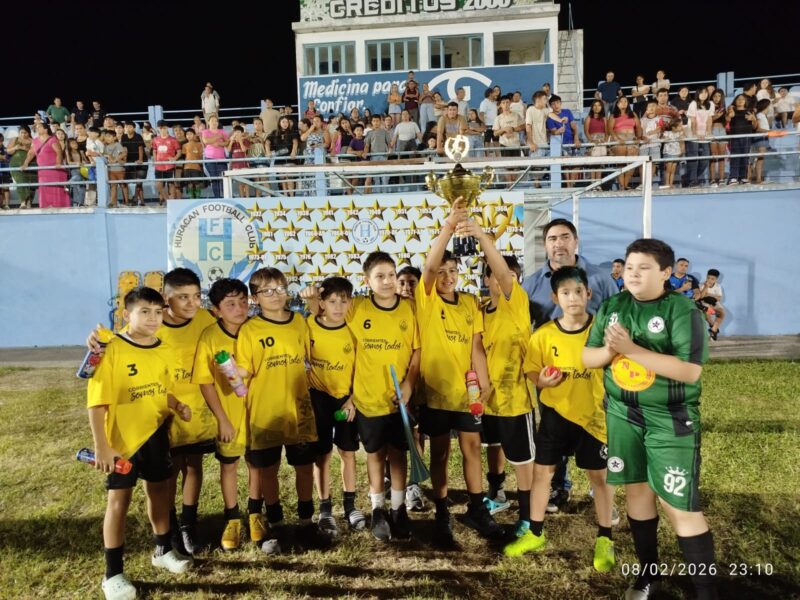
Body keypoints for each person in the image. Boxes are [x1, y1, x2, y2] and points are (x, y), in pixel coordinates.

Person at [584, 238, 718, 600]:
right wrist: (610, 350)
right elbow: (588, 357)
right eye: (629, 267)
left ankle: (706, 591)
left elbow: (689, 372)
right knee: (637, 493)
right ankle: (648, 575)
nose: (633, 274)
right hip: (622, 416)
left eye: (643, 268)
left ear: (665, 273)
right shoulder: (612, 306)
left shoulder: (682, 311)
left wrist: (631, 350)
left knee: (679, 506)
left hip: (669, 420)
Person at [301, 253, 421, 542]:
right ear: (367, 282)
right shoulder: (357, 308)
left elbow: (417, 352)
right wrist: (310, 296)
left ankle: (397, 509)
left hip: (397, 399)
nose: (388, 281)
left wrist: (408, 384)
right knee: (375, 454)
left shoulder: (408, 310)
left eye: (391, 275)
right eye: (379, 276)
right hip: (367, 399)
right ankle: (378, 508)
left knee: (398, 454)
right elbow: (325, 307)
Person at [504, 266, 616, 575]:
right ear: (555, 297)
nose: (572, 298)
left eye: (578, 292)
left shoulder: (602, 332)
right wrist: (540, 380)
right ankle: (535, 533)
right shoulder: (544, 335)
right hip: (555, 416)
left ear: (588, 294)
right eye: (565, 293)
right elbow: (531, 370)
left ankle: (605, 537)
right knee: (543, 475)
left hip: (594, 418)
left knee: (600, 478)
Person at [87, 287, 193, 600]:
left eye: (157, 312)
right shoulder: (111, 348)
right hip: (123, 442)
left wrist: (176, 404)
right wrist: (102, 446)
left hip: (156, 433)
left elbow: (161, 388)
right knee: (118, 501)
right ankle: (113, 574)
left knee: (159, 491)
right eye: (143, 311)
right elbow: (96, 403)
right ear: (126, 314)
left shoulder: (163, 347)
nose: (152, 318)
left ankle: (162, 550)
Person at [416, 200, 503, 546]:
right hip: (436, 394)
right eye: (442, 272)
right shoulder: (427, 300)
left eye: (453, 272)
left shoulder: (469, 303)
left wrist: (485, 383)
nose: (447, 277)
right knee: (439, 453)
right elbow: (427, 267)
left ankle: (477, 507)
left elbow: (476, 347)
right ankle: (441, 511)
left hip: (467, 395)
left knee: (472, 449)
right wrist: (450, 226)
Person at [520, 218, 618, 511]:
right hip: (555, 377)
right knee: (554, 429)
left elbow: (616, 318)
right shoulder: (532, 285)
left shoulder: (600, 278)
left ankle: (599, 487)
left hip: (594, 376)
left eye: (564, 237)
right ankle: (558, 487)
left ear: (575, 242)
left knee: (598, 430)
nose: (558, 244)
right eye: (552, 238)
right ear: (545, 245)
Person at [458, 219, 535, 540]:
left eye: (513, 277)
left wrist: (480, 237)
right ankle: (497, 493)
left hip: (515, 399)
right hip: (484, 400)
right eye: (499, 275)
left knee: (522, 458)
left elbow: (504, 272)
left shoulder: (515, 302)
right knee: (492, 447)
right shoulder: (481, 310)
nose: (507, 280)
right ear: (485, 279)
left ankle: (530, 516)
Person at [237, 268, 318, 552]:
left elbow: (309, 357)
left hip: (299, 409)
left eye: (280, 287)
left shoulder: (299, 322)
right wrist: (231, 373)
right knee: (267, 470)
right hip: (264, 412)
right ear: (255, 298)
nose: (275, 294)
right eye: (267, 290)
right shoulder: (249, 330)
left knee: (304, 467)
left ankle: (307, 521)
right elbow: (244, 371)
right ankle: (277, 523)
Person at [191, 278, 263, 551]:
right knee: (229, 465)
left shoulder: (255, 329)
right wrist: (222, 418)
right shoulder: (210, 336)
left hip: (257, 412)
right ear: (217, 310)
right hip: (230, 416)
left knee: (257, 464)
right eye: (230, 304)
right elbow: (205, 381)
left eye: (243, 301)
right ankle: (232, 517)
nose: (239, 308)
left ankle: (256, 513)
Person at [305, 277, 364, 538]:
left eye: (343, 301)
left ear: (350, 302)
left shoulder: (355, 329)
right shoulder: (308, 326)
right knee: (322, 454)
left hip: (346, 399)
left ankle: (351, 505)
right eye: (332, 301)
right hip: (319, 398)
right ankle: (325, 509)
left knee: (347, 451)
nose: (338, 307)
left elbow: (364, 368)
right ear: (322, 303)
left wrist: (353, 399)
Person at [21, 121, 70, 208]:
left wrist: (58, 163)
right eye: (37, 127)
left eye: (39, 127)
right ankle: (46, 206)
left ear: (46, 129)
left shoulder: (52, 139)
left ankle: (59, 206)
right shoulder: (35, 140)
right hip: (43, 169)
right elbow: (31, 153)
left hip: (55, 169)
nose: (37, 128)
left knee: (56, 188)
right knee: (44, 188)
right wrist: (25, 163)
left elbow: (59, 152)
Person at [546, 95, 581, 186]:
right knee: (565, 165)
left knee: (576, 163)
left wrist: (576, 138)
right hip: (561, 143)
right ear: (550, 106)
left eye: (557, 103)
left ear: (561, 103)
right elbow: (553, 132)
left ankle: (571, 183)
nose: (556, 105)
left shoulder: (567, 112)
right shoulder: (550, 119)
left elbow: (574, 126)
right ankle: (568, 185)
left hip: (572, 141)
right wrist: (558, 131)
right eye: (553, 104)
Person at [607, 96, 640, 190]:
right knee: (621, 163)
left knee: (632, 163)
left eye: (625, 101)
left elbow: (638, 127)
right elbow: (610, 129)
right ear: (617, 104)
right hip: (619, 139)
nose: (624, 103)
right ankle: (621, 185)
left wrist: (638, 137)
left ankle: (626, 185)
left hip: (631, 139)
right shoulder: (613, 116)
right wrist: (616, 139)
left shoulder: (633, 114)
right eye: (621, 101)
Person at [686, 88, 714, 187]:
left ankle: (692, 178)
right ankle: (692, 180)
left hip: (705, 135)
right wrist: (694, 133)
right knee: (694, 158)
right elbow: (693, 120)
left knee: (705, 158)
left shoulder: (710, 104)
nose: (704, 94)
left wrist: (709, 132)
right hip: (693, 135)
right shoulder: (693, 104)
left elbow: (710, 119)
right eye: (701, 92)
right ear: (698, 94)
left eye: (705, 92)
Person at [153, 121, 181, 204]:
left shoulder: (173, 139)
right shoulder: (155, 139)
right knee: (158, 184)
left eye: (164, 128)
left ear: (167, 128)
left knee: (171, 184)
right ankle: (167, 200)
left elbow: (179, 151)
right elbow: (154, 151)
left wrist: (174, 158)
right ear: (158, 129)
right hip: (159, 166)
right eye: (161, 128)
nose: (163, 130)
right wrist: (155, 161)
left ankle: (172, 202)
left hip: (169, 166)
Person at [8, 126, 36, 208]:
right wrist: (15, 147)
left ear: (29, 133)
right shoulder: (15, 139)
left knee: (31, 183)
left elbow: (34, 152)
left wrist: (24, 148)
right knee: (20, 182)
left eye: (25, 133)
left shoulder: (33, 141)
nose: (23, 134)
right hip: (15, 164)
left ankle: (29, 201)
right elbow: (8, 151)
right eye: (21, 132)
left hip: (30, 163)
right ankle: (23, 202)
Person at [201, 115, 229, 198]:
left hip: (221, 159)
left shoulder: (222, 131)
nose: (214, 122)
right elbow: (206, 141)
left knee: (223, 179)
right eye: (212, 120)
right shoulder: (205, 131)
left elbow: (227, 142)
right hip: (210, 159)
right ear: (208, 122)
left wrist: (219, 143)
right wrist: (217, 137)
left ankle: (225, 197)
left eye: (216, 121)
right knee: (214, 179)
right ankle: (217, 197)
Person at [364, 115, 392, 193]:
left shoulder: (385, 132)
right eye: (374, 121)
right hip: (373, 156)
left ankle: (385, 193)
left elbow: (389, 143)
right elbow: (367, 145)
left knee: (384, 176)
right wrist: (365, 152)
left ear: (380, 121)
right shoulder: (369, 133)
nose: (376, 123)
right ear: (372, 122)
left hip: (383, 155)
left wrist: (390, 150)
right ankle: (377, 193)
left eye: (377, 121)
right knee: (376, 177)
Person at [696, 269, 726, 340]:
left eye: (712, 279)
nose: (709, 280)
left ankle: (713, 329)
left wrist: (709, 295)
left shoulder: (718, 286)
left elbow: (719, 298)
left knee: (722, 313)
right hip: (704, 302)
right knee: (707, 311)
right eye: (708, 278)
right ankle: (712, 326)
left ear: (716, 279)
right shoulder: (701, 285)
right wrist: (706, 287)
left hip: (714, 302)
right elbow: (702, 296)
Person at [493, 95, 525, 162]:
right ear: (500, 105)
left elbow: (523, 126)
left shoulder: (516, 115)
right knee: (507, 167)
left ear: (510, 103)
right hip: (504, 145)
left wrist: (512, 129)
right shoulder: (498, 118)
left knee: (516, 166)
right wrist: (504, 129)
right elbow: (495, 133)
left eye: (507, 102)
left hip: (516, 144)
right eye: (503, 103)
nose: (505, 105)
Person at [121, 122, 146, 205]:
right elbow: (124, 149)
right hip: (129, 162)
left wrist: (140, 159)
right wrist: (124, 160)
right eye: (126, 127)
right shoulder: (123, 137)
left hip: (141, 162)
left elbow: (141, 149)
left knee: (139, 182)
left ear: (134, 128)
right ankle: (131, 200)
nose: (128, 128)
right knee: (124, 181)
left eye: (130, 127)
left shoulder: (138, 136)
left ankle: (136, 198)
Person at [103, 129, 128, 207]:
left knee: (123, 185)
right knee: (113, 186)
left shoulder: (117, 144)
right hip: (111, 170)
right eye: (106, 136)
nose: (107, 138)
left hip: (119, 169)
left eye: (109, 136)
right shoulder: (105, 147)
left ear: (114, 137)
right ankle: (113, 203)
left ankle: (126, 202)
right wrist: (109, 158)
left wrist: (115, 160)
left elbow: (124, 154)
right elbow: (106, 157)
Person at [709, 90, 728, 187]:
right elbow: (708, 120)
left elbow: (727, 121)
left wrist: (729, 116)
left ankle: (721, 179)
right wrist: (716, 116)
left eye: (719, 96)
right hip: (712, 130)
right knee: (713, 156)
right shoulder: (709, 106)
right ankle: (712, 179)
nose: (717, 98)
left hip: (722, 131)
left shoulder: (724, 108)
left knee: (721, 157)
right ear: (712, 97)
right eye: (715, 96)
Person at [752, 98, 771, 184]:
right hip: (760, 138)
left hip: (764, 137)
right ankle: (758, 179)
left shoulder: (763, 115)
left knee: (761, 159)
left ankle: (758, 178)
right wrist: (769, 132)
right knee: (760, 159)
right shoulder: (759, 115)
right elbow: (757, 128)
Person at [660, 119, 684, 189]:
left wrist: (681, 151)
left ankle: (671, 183)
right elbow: (662, 137)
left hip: (676, 153)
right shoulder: (667, 133)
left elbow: (682, 142)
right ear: (674, 127)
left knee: (673, 169)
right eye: (680, 126)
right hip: (668, 152)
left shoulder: (680, 134)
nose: (681, 127)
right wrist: (664, 138)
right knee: (668, 169)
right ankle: (667, 183)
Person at [182, 128, 205, 199]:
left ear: (194, 135)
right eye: (187, 134)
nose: (189, 136)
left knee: (197, 183)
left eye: (191, 134)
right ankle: (191, 198)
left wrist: (201, 138)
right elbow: (184, 155)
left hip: (196, 167)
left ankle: (198, 197)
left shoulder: (199, 144)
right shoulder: (184, 145)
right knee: (189, 184)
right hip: (187, 167)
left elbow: (203, 152)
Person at [479, 87, 499, 155]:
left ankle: (498, 157)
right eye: (494, 92)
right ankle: (487, 158)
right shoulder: (484, 102)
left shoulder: (495, 103)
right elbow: (481, 114)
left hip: (496, 126)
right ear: (490, 93)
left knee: (496, 141)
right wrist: (484, 124)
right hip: (488, 125)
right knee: (487, 142)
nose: (496, 94)